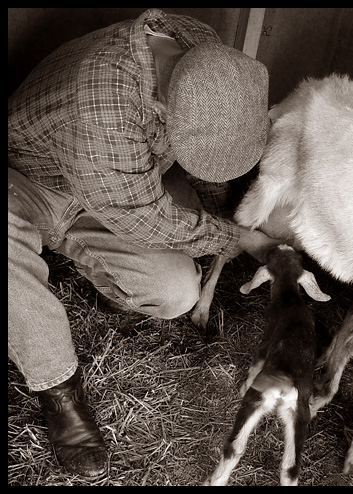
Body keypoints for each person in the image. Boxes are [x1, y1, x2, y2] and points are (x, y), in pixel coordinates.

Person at [8, 9, 281, 479]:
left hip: (119, 185)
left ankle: (105, 277)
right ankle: (59, 390)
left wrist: (219, 206)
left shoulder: (204, 55)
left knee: (177, 292)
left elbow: (182, 169)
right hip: (34, 182)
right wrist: (235, 236)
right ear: (169, 106)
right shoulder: (104, 104)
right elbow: (147, 219)